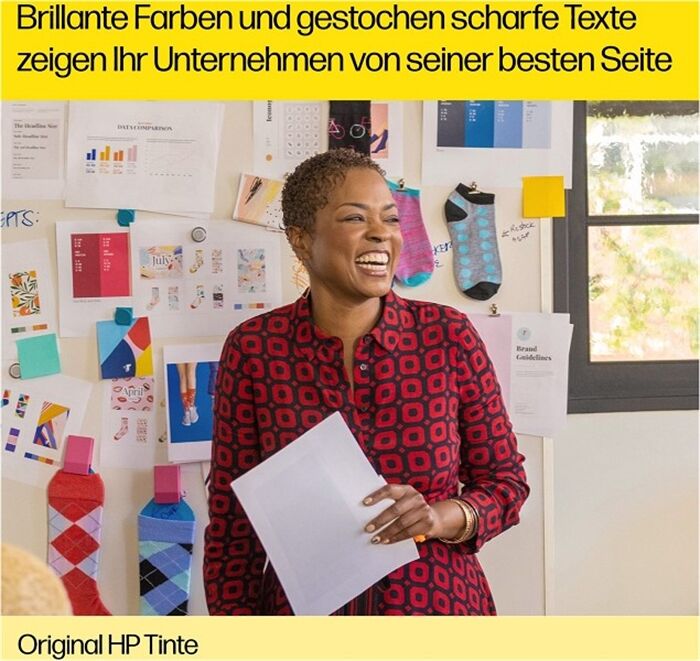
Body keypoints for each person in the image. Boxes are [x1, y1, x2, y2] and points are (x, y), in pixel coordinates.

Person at [204, 148, 529, 615]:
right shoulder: (254, 349)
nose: (382, 233)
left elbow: (505, 483)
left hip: (437, 612)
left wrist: (438, 518)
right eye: (356, 217)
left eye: (391, 218)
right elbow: (233, 526)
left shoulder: (448, 336)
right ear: (301, 240)